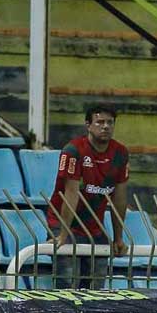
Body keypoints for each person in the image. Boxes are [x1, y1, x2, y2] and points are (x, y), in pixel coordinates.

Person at [47, 104, 130, 289]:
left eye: (110, 122)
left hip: (94, 226)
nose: (106, 126)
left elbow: (120, 199)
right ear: (88, 125)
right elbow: (71, 193)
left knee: (96, 284)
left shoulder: (120, 153)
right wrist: (62, 234)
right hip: (63, 222)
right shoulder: (73, 150)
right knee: (67, 281)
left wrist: (118, 237)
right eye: (100, 122)